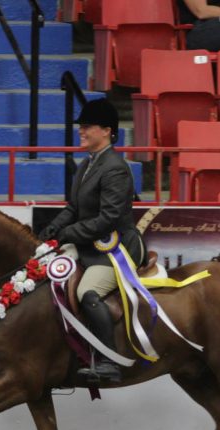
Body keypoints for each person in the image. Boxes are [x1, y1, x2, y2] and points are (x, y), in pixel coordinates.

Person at [37, 99, 143, 383]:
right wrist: (52, 229)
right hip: (90, 245)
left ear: (107, 130)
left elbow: (107, 219)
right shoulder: (87, 164)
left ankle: (108, 359)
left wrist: (68, 234)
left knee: (88, 292)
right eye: (81, 127)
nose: (81, 132)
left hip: (115, 249)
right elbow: (73, 208)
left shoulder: (115, 168)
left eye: (87, 127)